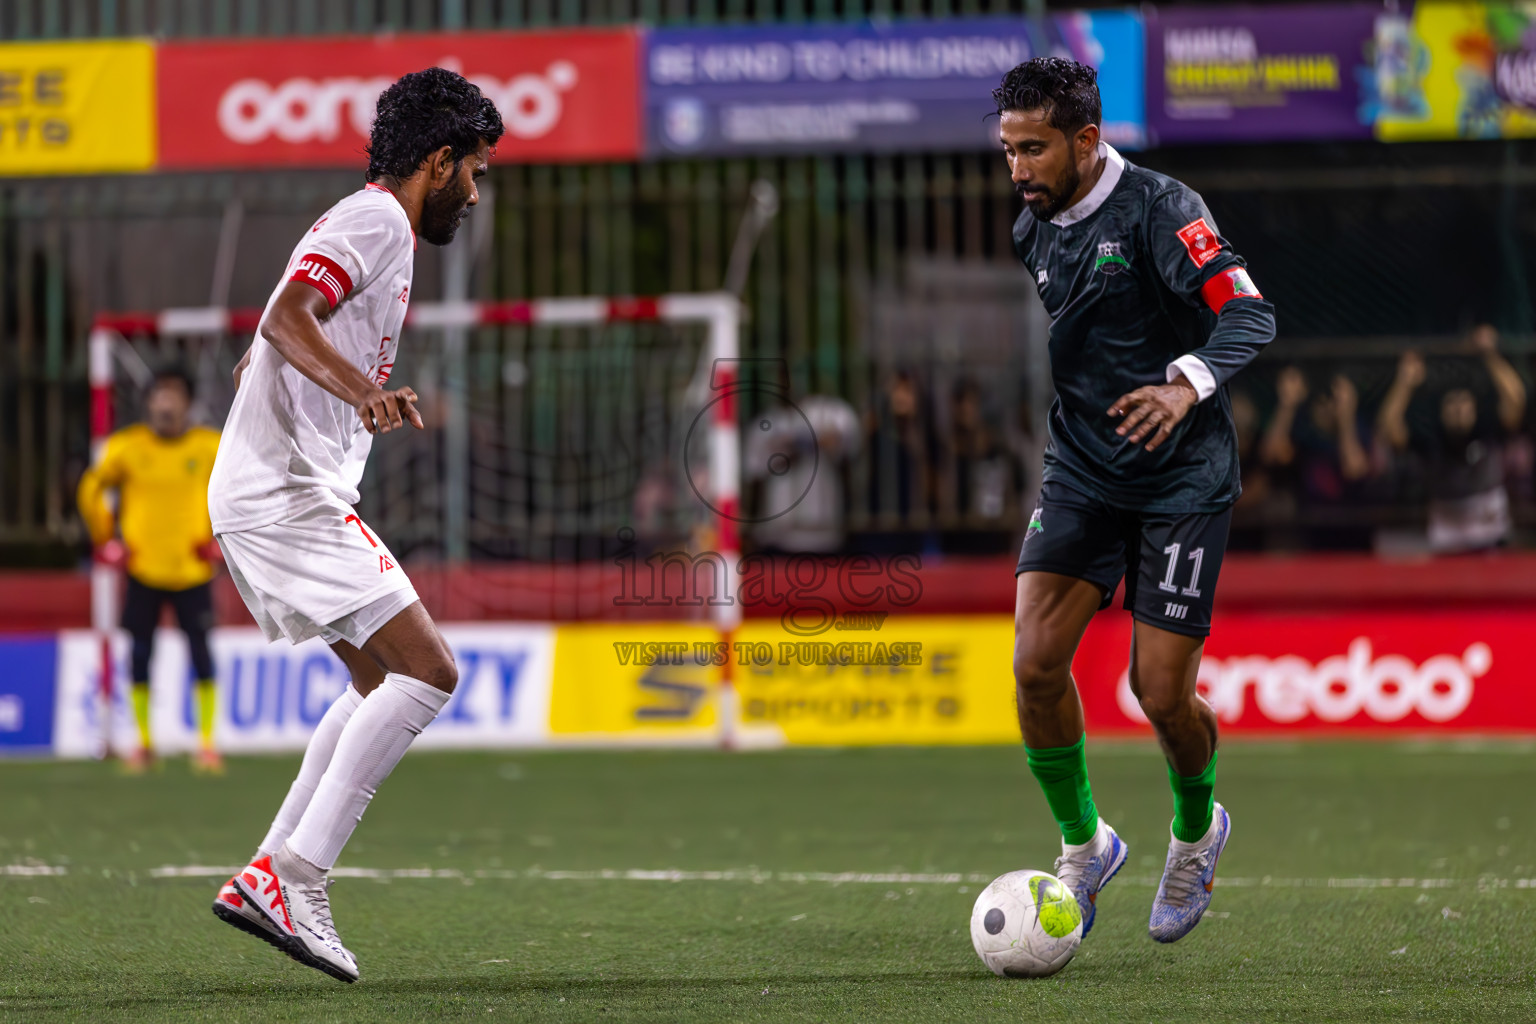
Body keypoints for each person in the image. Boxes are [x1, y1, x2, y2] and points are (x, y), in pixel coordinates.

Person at [206, 68, 503, 983]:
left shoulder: (375, 228)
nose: (475, 192)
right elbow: (285, 315)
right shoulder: (376, 218)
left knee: (379, 681)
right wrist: (362, 391)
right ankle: (297, 876)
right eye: (474, 171)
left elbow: (278, 336)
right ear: (439, 160)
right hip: (287, 497)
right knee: (430, 670)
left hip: (279, 492)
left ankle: (270, 865)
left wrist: (281, 387)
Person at [997, 58, 1275, 943]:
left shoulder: (1163, 207)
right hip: (1082, 467)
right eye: (1007, 149)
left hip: (1182, 477)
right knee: (1035, 663)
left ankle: (1196, 833)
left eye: (1033, 148)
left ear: (1085, 139)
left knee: (1159, 694)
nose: (1018, 168)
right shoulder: (1030, 230)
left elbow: (1250, 314)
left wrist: (1184, 385)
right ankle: (1086, 847)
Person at [77, 369, 225, 774]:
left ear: (187, 402)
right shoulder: (127, 447)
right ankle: (143, 743)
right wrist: (105, 536)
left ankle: (207, 744)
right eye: (159, 393)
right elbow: (91, 488)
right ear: (147, 402)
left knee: (201, 652)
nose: (165, 402)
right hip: (143, 567)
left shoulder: (209, 445)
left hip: (193, 569)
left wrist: (224, 539)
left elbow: (238, 489)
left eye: (173, 394)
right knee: (140, 652)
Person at [1376, 328, 1528, 552]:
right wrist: (1404, 383)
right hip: (1447, 543)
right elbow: (1389, 429)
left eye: (1464, 404)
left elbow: (1515, 400)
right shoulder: (1431, 440)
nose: (1458, 410)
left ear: (1475, 409)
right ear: (1442, 411)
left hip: (1492, 537)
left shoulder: (1487, 431)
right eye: (1452, 404)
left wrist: (1490, 355)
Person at [1258, 367, 1375, 550]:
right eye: (1320, 404)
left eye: (1331, 403)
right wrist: (1287, 405)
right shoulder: (1306, 431)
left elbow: (1354, 469)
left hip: (1354, 534)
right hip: (1309, 536)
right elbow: (1271, 455)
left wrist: (1345, 418)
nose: (1326, 410)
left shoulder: (1356, 427)